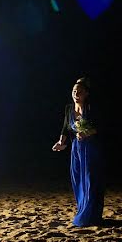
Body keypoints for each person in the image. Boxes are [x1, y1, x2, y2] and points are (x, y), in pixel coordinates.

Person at [52, 77, 105, 226]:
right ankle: (82, 210)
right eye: (74, 91)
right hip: (76, 149)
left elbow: (100, 127)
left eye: (80, 91)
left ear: (86, 93)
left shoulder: (90, 108)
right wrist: (61, 142)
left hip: (91, 149)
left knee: (90, 180)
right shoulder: (69, 108)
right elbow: (65, 127)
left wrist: (87, 133)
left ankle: (91, 216)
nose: (76, 94)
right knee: (77, 179)